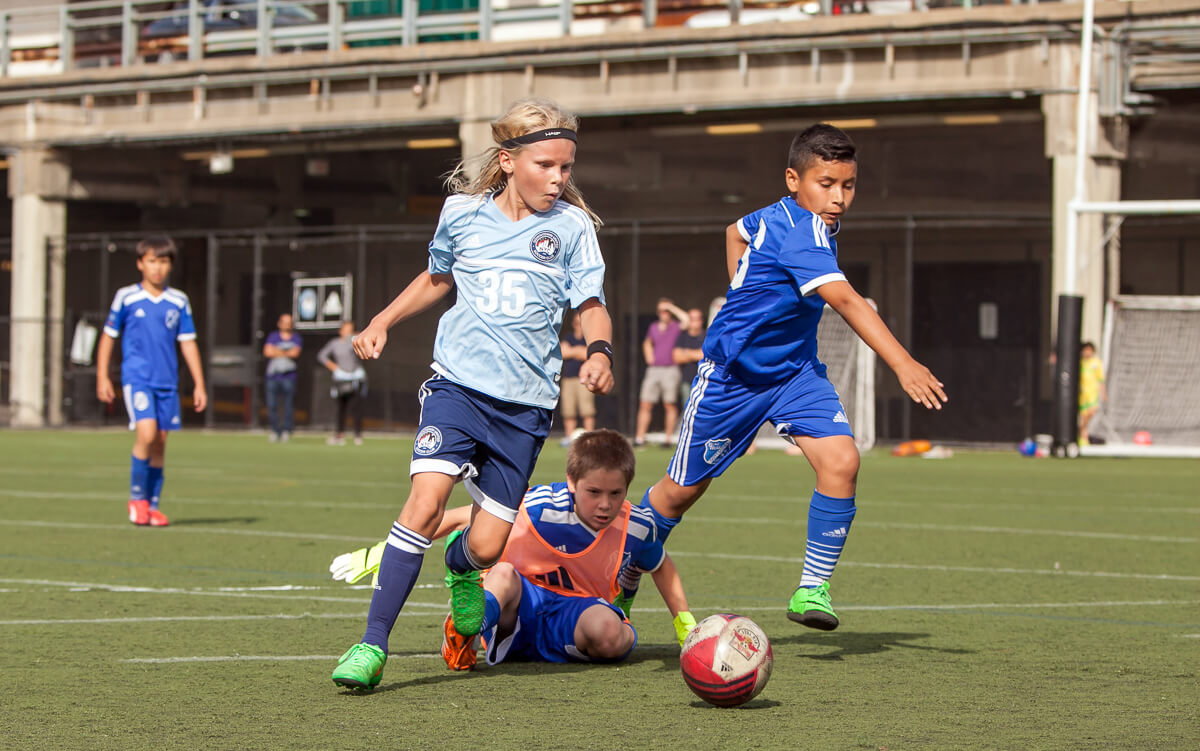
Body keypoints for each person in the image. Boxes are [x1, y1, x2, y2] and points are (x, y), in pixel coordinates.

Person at [329, 97, 616, 691]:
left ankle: (461, 570)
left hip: (526, 406)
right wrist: (381, 320)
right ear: (509, 162)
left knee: (487, 546)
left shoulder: (572, 229)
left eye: (567, 168)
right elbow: (437, 277)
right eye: (547, 166)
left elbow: (590, 305)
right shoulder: (460, 213)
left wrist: (598, 352)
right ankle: (370, 644)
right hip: (456, 387)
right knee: (424, 503)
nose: (559, 179)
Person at [625, 124, 948, 632]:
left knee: (842, 460)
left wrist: (740, 280)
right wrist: (903, 363)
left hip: (795, 374)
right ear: (794, 179)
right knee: (677, 494)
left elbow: (734, 231)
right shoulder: (801, 232)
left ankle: (812, 589)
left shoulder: (782, 217)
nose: (838, 197)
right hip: (733, 380)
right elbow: (844, 299)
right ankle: (626, 563)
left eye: (848, 185)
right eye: (826, 184)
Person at [329, 430, 697, 677]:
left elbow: (660, 566)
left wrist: (687, 628)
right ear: (571, 483)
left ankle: (532, 644)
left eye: (615, 494)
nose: (605, 505)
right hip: (520, 603)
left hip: (578, 613)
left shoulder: (637, 526)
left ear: (627, 488)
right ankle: (465, 634)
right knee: (501, 575)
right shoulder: (539, 507)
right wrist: (385, 551)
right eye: (594, 492)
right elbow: (459, 517)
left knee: (611, 635)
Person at [95, 235, 208, 528]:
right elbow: (108, 336)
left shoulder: (178, 300)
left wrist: (199, 383)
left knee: (160, 442)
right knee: (146, 434)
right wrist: (102, 375)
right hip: (138, 379)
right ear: (140, 264)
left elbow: (188, 343)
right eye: (152, 261)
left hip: (167, 381)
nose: (157, 268)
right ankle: (137, 499)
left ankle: (153, 506)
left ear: (170, 265)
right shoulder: (126, 297)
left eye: (163, 261)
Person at [634, 298, 688, 447]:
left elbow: (687, 320)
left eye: (666, 311)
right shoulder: (653, 327)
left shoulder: (676, 326)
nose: (664, 313)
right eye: (661, 311)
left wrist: (672, 307)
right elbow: (647, 343)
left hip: (671, 369)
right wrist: (648, 356)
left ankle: (668, 439)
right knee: (645, 403)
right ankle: (640, 438)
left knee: (669, 404)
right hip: (654, 370)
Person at [317, 321, 367, 446]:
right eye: (346, 330)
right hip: (341, 379)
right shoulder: (334, 343)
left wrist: (358, 337)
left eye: (350, 329)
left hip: (355, 378)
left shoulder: (354, 342)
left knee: (356, 407)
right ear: (341, 331)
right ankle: (339, 434)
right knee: (341, 407)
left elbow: (364, 346)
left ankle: (357, 435)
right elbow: (322, 356)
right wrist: (334, 367)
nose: (348, 332)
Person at [558, 310, 596, 445]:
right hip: (568, 379)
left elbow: (589, 354)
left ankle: (590, 438)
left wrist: (573, 351)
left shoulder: (589, 339)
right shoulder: (568, 337)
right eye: (576, 323)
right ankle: (569, 438)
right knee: (569, 410)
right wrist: (579, 351)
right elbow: (563, 352)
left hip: (585, 379)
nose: (578, 325)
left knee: (587, 410)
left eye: (581, 323)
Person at [263, 313, 302, 442]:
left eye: (289, 322)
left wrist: (276, 351)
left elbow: (295, 353)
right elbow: (267, 352)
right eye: (284, 322)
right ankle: (275, 430)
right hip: (273, 377)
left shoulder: (296, 338)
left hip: (289, 377)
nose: (287, 324)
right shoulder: (273, 336)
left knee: (288, 405)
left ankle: (286, 430)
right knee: (272, 405)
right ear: (279, 323)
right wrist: (286, 352)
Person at [672, 307, 706, 408]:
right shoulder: (682, 337)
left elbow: (704, 355)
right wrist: (696, 354)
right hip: (686, 380)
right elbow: (677, 357)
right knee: (687, 409)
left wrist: (686, 352)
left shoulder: (707, 336)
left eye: (697, 319)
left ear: (701, 321)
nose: (694, 322)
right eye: (691, 318)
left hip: (703, 381)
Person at [1078, 341, 1106, 446]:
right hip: (1082, 395)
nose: (1087, 352)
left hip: (1092, 394)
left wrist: (1103, 393)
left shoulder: (1096, 363)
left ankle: (1080, 431)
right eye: (1085, 350)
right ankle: (1083, 438)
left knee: (1090, 413)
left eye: (1089, 350)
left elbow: (1101, 379)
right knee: (1083, 416)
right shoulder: (1081, 363)